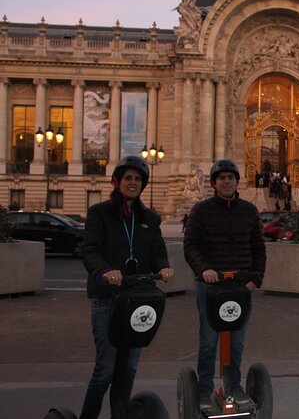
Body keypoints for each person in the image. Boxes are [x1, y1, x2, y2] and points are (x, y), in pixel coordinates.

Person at [80, 155, 174, 419]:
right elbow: (90, 251)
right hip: (107, 300)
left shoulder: (149, 218)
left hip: (136, 301)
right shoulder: (98, 213)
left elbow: (158, 251)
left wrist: (164, 267)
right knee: (105, 371)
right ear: (117, 181)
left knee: (128, 370)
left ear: (143, 184)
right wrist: (105, 271)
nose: (132, 183)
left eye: (137, 179)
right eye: (128, 178)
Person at [183, 159, 266, 409]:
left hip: (240, 286)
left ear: (237, 181)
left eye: (231, 177)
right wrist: (204, 269)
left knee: (237, 341)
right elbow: (191, 246)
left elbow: (258, 248)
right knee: (209, 341)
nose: (226, 181)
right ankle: (205, 388)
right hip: (210, 286)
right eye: (221, 178)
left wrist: (255, 278)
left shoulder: (249, 211)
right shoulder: (200, 210)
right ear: (213, 183)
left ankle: (233, 385)